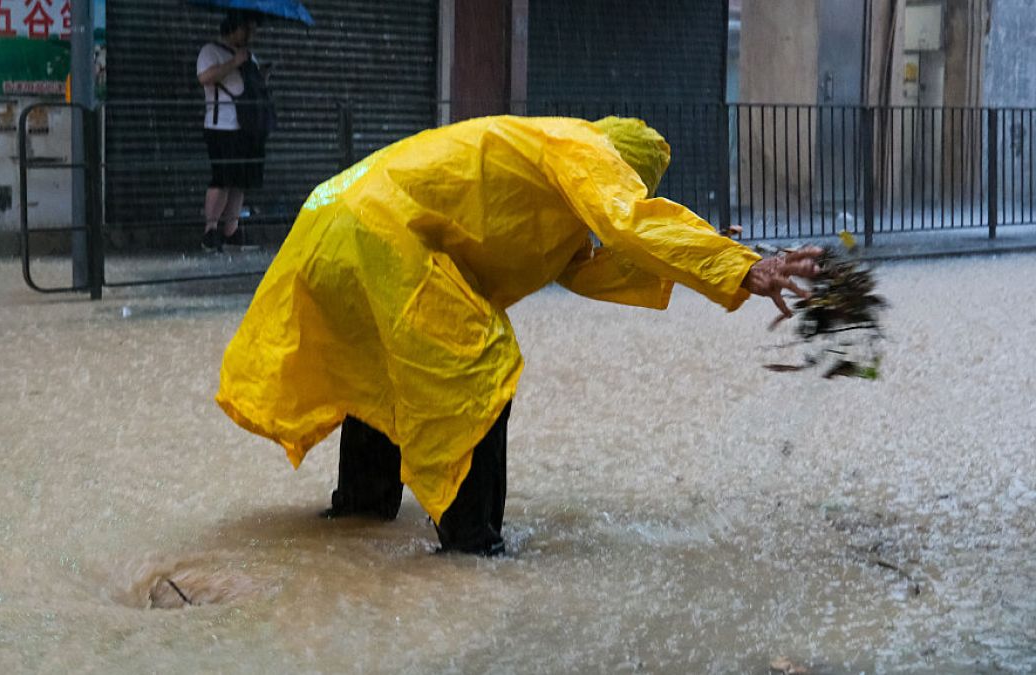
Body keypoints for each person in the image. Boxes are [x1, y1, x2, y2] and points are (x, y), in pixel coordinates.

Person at [216, 115, 821, 556]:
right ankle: (470, 544)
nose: (622, 194)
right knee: (477, 366)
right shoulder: (580, 149)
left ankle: (361, 512)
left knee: (390, 362)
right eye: (631, 186)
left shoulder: (545, 189)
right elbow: (630, 223)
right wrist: (740, 267)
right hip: (376, 228)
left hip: (334, 216)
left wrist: (719, 253)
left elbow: (599, 263)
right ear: (619, 168)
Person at [196, 11, 273, 252]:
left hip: (246, 126)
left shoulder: (251, 56)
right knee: (221, 179)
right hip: (221, 126)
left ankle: (231, 231)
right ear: (233, 27)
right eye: (247, 29)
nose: (251, 34)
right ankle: (210, 231)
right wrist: (234, 62)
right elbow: (205, 77)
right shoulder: (210, 51)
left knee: (240, 181)